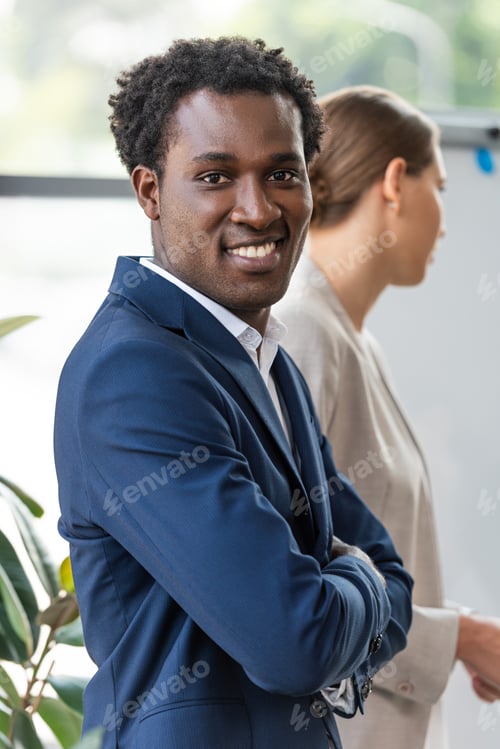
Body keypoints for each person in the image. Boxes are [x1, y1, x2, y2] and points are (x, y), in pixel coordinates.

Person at [53, 41, 413, 749]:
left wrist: (358, 580)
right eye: (216, 176)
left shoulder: (264, 358)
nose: (258, 209)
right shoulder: (132, 374)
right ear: (150, 191)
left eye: (282, 173)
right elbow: (297, 641)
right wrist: (362, 583)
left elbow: (393, 571)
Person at [275, 85, 500, 749]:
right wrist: (461, 636)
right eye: (443, 187)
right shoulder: (301, 332)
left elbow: (362, 551)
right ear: (397, 182)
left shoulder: (352, 339)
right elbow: (296, 584)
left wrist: (456, 634)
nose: (447, 222)